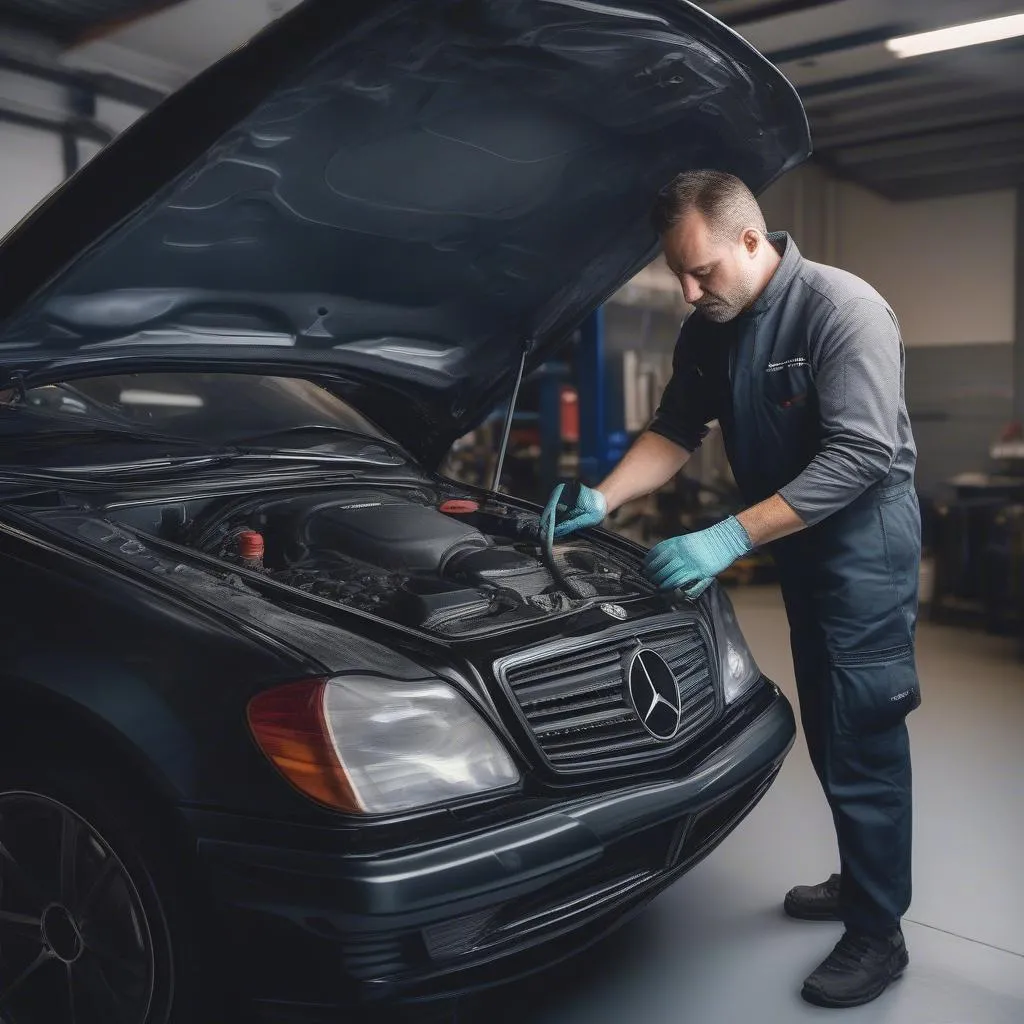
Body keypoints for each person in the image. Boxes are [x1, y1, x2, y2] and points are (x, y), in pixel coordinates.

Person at [541, 169, 921, 1009]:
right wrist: (607, 494)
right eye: (677, 271)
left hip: (864, 553)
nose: (687, 289)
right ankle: (863, 880)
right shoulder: (713, 325)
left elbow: (861, 456)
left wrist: (728, 534)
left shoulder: (840, 309)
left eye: (701, 270)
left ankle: (879, 933)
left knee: (863, 729)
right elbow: (677, 428)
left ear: (753, 241)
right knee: (828, 721)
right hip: (799, 547)